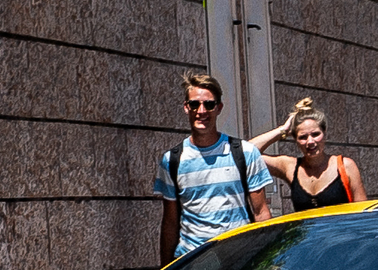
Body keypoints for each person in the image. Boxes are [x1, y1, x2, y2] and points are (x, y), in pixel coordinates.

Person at [154, 72, 271, 256]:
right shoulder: (172, 161)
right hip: (193, 264)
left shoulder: (245, 153)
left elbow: (261, 213)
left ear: (219, 108)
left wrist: (267, 263)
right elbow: (170, 222)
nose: (202, 111)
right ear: (186, 107)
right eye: (195, 104)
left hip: (238, 260)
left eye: (209, 104)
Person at [248, 98, 364, 213]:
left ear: (325, 134)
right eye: (303, 137)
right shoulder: (290, 167)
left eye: (315, 134)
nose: (310, 142)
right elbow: (246, 153)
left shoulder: (345, 166)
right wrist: (282, 130)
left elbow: (364, 213)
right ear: (295, 139)